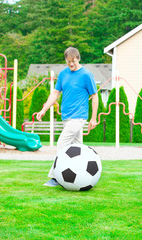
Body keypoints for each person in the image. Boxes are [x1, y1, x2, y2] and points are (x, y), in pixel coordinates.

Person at [37, 47, 99, 187]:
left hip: (79, 116)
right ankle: (82, 179)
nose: (71, 65)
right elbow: (55, 93)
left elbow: (94, 96)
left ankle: (56, 177)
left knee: (62, 144)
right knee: (77, 148)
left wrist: (93, 118)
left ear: (78, 58)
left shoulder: (86, 75)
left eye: (74, 62)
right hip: (66, 117)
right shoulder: (64, 74)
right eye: (68, 62)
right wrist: (44, 109)